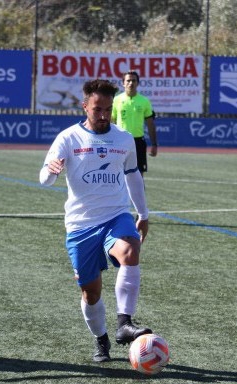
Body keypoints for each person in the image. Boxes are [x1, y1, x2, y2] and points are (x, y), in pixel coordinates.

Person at [39, 79, 152, 362]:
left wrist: (144, 214)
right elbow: (44, 178)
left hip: (116, 215)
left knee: (130, 250)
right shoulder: (68, 138)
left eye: (107, 109)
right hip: (80, 225)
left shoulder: (124, 139)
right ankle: (101, 340)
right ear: (85, 106)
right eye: (97, 109)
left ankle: (124, 324)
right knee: (91, 292)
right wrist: (51, 171)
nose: (103, 115)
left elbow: (133, 176)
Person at [111, 70, 158, 176]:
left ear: (138, 83)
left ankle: (138, 193)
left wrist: (154, 144)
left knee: (139, 174)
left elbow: (150, 124)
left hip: (138, 142)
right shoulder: (116, 100)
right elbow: (111, 122)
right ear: (123, 83)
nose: (131, 83)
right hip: (120, 141)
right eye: (128, 80)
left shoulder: (144, 101)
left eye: (134, 80)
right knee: (118, 173)